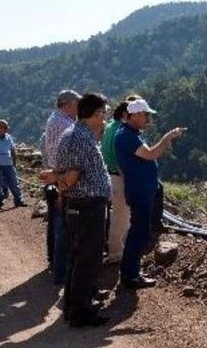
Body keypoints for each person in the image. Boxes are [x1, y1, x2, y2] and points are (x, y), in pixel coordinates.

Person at [50, 92, 111, 327]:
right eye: (103, 112)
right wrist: (62, 190)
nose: (105, 116)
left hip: (84, 205)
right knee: (87, 258)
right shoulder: (78, 137)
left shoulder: (81, 134)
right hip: (86, 206)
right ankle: (80, 312)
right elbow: (72, 176)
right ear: (95, 114)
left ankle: (74, 303)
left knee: (79, 256)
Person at [115, 99, 185, 289]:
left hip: (141, 189)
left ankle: (132, 271)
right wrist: (167, 138)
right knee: (139, 232)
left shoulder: (131, 134)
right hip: (140, 191)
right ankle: (130, 275)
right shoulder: (127, 136)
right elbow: (150, 154)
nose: (148, 119)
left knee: (139, 231)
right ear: (136, 115)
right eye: (146, 115)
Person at [41, 89, 80, 284]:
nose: (79, 107)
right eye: (77, 103)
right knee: (62, 224)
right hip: (62, 179)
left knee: (56, 222)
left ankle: (54, 260)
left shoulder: (55, 119)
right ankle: (61, 269)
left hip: (55, 177)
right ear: (68, 104)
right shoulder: (64, 123)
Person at [101, 95, 139, 263]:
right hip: (119, 177)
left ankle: (114, 248)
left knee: (116, 215)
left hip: (109, 175)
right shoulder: (121, 131)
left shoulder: (109, 127)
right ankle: (116, 253)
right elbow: (119, 158)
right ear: (125, 114)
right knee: (121, 217)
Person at [0, 120, 27, 210]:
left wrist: (14, 163)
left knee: (14, 183)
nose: (6, 129)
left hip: (8, 164)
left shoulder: (8, 137)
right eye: (4, 127)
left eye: (6, 128)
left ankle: (18, 200)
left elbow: (12, 150)